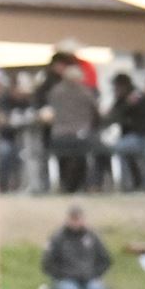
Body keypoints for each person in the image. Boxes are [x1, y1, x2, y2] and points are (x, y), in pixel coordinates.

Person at [39, 52, 100, 194]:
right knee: (89, 153)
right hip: (82, 136)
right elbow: (96, 114)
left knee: (64, 157)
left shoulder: (55, 92)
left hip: (58, 137)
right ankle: (90, 184)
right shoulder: (86, 93)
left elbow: (49, 113)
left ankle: (65, 185)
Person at [41, 204, 121, 289]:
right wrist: (60, 275)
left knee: (95, 288)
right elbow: (47, 263)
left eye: (78, 219)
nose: (75, 222)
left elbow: (105, 259)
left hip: (89, 278)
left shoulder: (92, 237)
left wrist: (95, 273)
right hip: (66, 279)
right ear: (67, 219)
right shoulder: (57, 238)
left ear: (83, 219)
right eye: (72, 219)